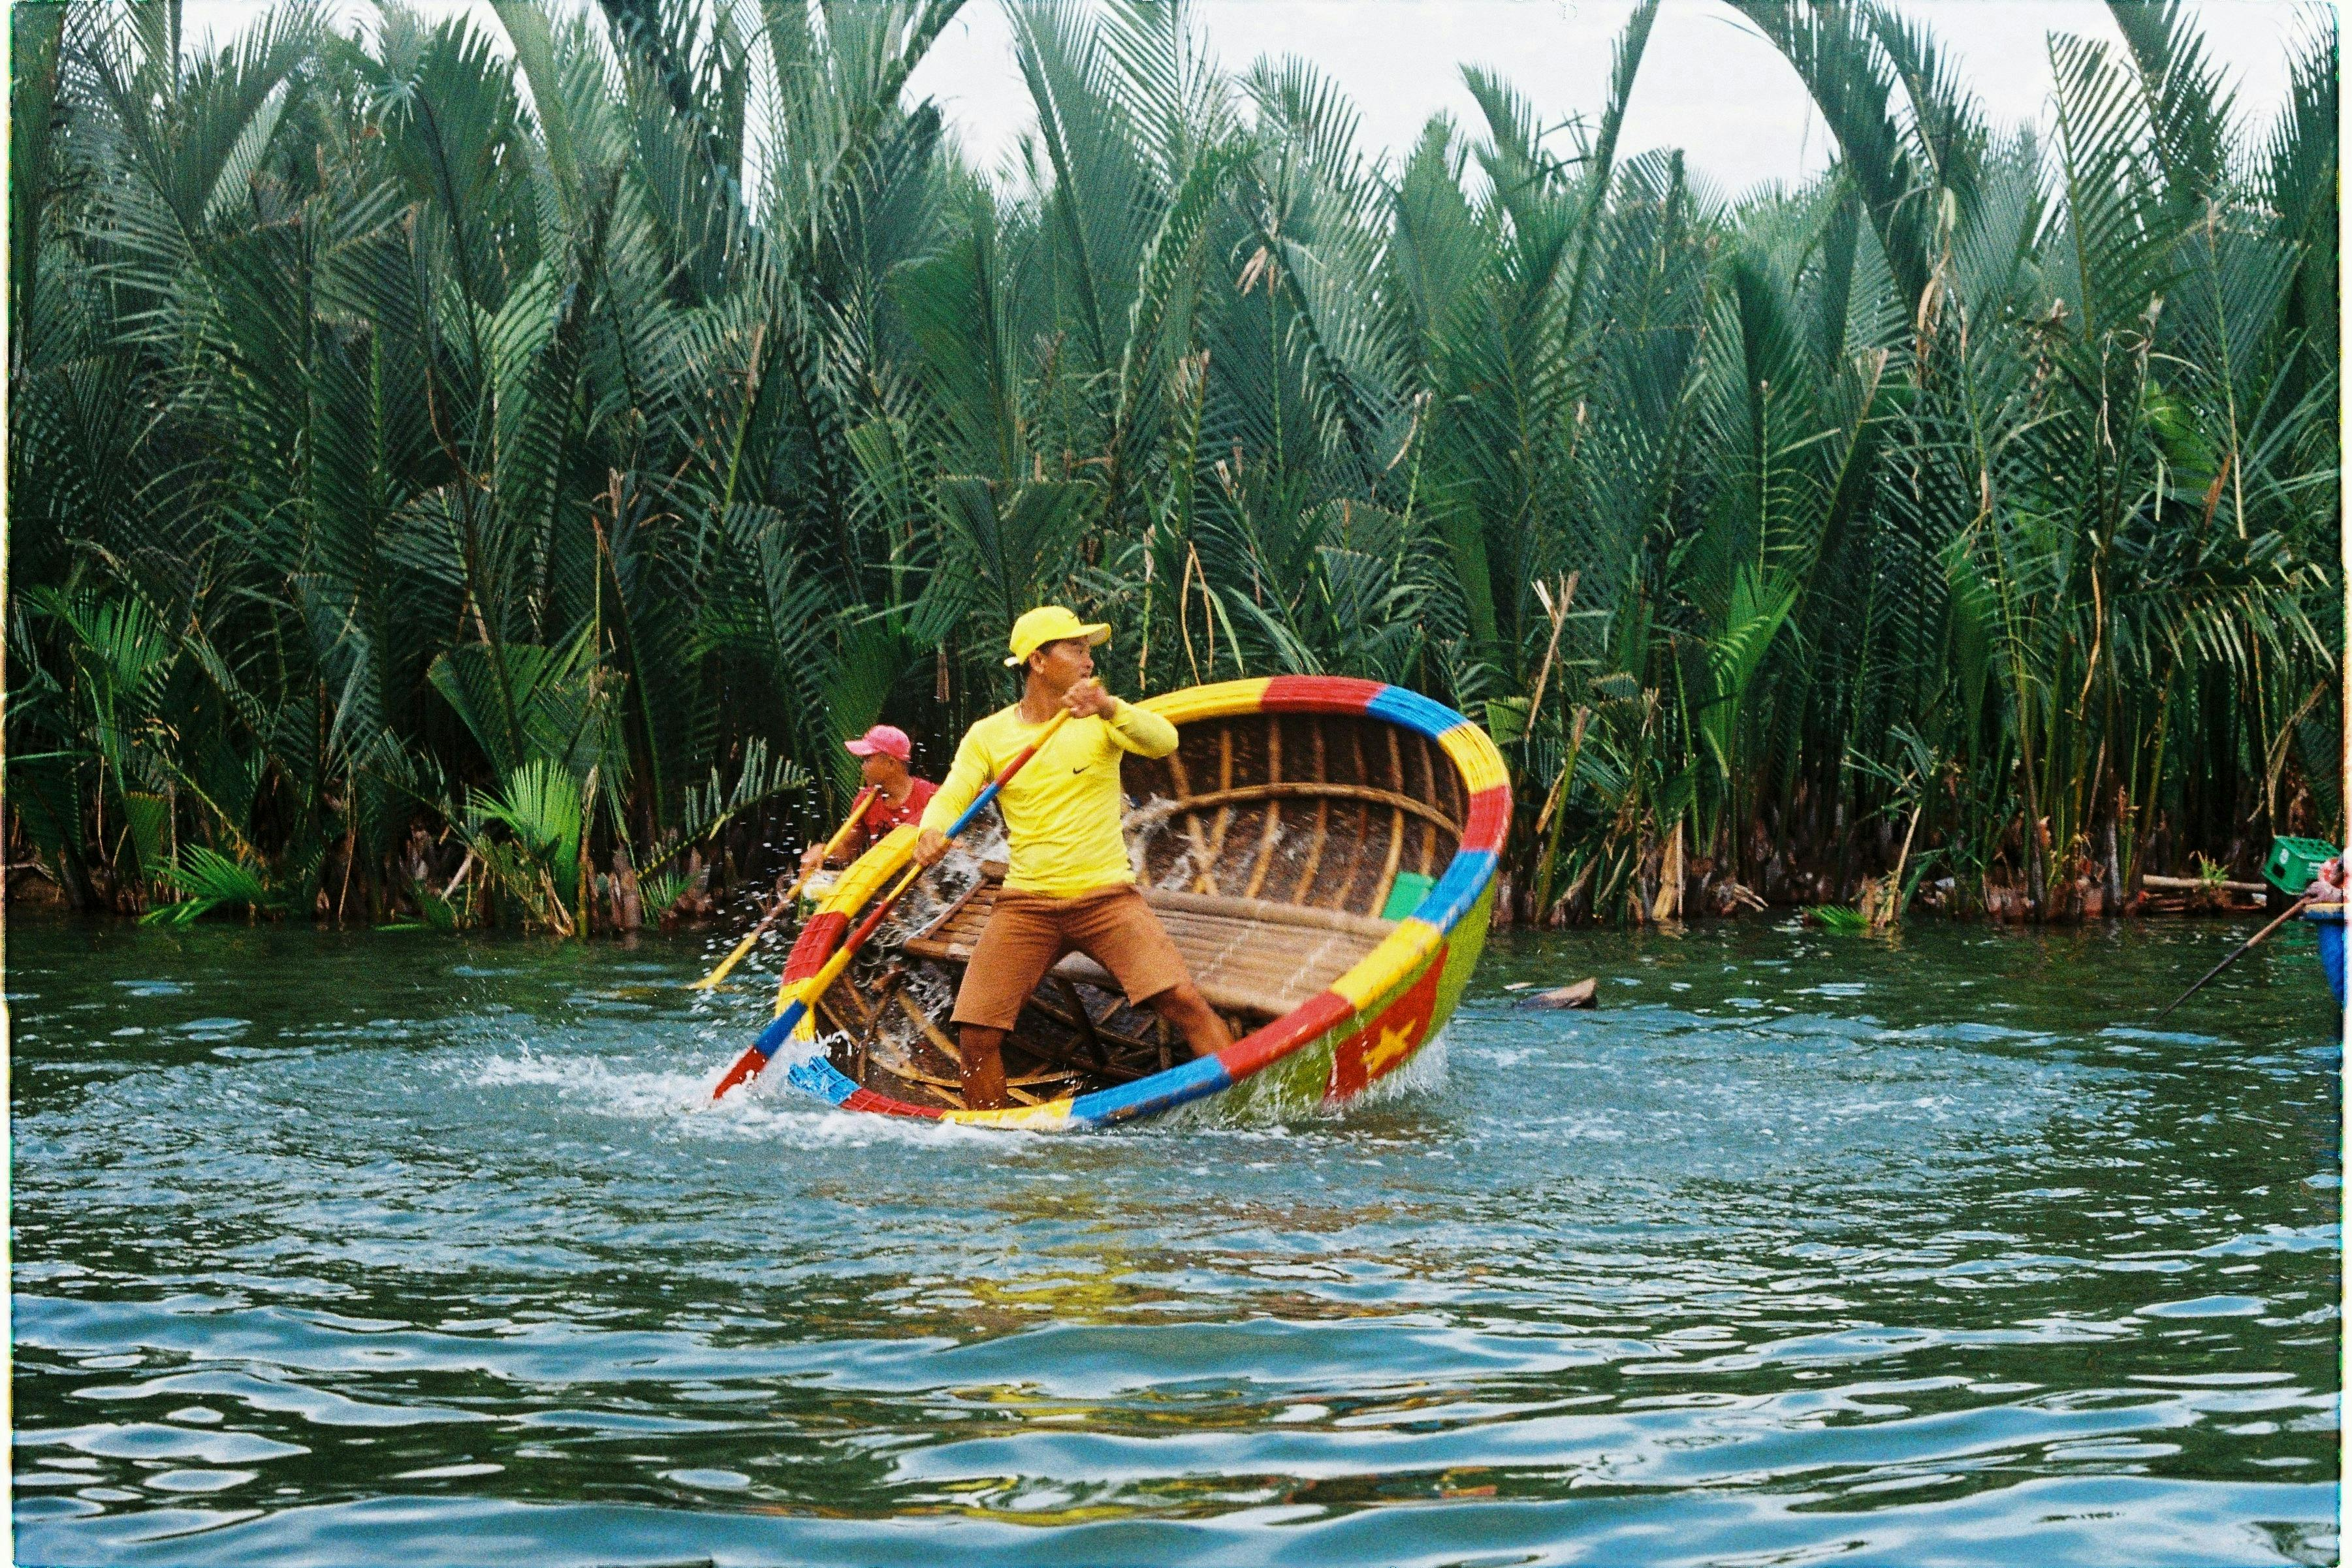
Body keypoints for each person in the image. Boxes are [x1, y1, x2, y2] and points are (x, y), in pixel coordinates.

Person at [912, 606, 1233, 1108]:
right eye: (1076, 649)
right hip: (1027, 903)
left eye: (1089, 650)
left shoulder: (1103, 718)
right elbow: (953, 794)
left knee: (1183, 1002)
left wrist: (1110, 709)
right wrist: (931, 830)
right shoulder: (989, 734)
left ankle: (1240, 1101)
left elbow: (1164, 740)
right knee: (977, 1033)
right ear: (1038, 661)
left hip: (1104, 896)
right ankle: (994, 1144)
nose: (1088, 661)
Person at [800, 725, 938, 879]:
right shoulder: (865, 799)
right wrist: (823, 851)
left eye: (867, 760)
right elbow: (847, 848)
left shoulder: (932, 797)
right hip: (885, 882)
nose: (862, 767)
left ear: (891, 764)